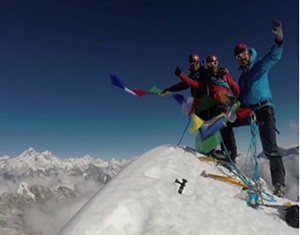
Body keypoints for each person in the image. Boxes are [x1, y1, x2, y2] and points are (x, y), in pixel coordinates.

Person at [221, 19, 285, 197]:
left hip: (265, 110)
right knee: (226, 124)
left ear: (249, 53)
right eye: (237, 56)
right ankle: (230, 156)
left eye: (243, 54)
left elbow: (273, 57)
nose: (241, 57)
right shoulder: (242, 78)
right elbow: (241, 98)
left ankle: (279, 185)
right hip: (250, 112)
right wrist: (230, 100)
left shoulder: (258, 67)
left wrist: (279, 41)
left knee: (270, 149)